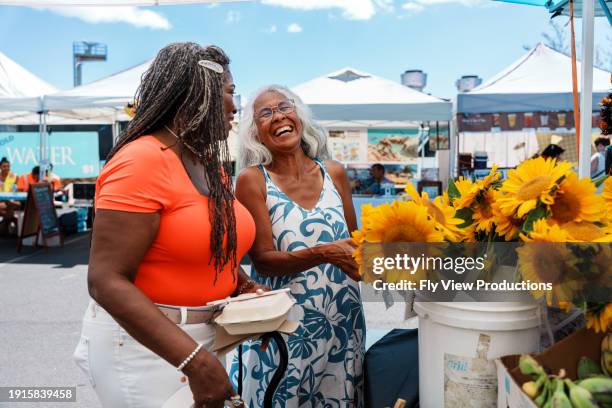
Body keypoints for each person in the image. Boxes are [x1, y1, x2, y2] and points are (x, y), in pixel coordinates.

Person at [73, 42, 263, 408]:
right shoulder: (141, 161)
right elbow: (105, 280)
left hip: (201, 342)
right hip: (145, 350)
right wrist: (196, 363)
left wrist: (243, 285)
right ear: (200, 92)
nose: (235, 107)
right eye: (229, 92)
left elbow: (200, 247)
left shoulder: (205, 163)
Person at [232, 85, 365, 407]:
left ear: (299, 117)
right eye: (265, 113)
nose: (278, 116)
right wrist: (323, 252)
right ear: (256, 134)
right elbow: (262, 260)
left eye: (284, 107)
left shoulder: (334, 173)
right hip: (285, 326)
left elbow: (356, 244)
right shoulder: (253, 180)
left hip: (344, 322)